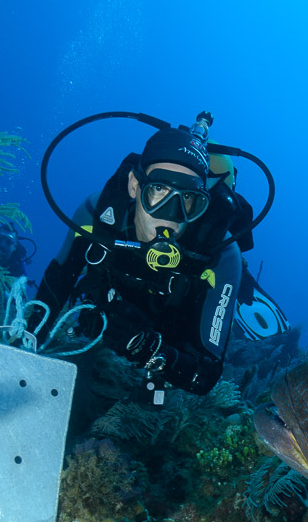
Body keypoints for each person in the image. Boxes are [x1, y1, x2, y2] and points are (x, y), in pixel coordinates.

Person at [32, 127, 244, 397]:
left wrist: (150, 349)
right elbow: (57, 283)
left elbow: (206, 376)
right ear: (134, 185)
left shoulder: (222, 254)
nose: (171, 215)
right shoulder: (97, 215)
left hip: (168, 342)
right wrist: (26, 338)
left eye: (188, 197)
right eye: (159, 189)